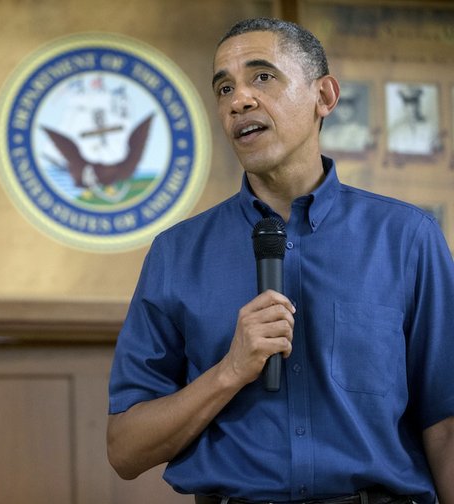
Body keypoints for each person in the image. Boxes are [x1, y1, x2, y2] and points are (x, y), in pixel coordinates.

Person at [107, 17, 454, 503]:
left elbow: (445, 424)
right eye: (224, 88)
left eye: (262, 77)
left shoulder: (407, 238)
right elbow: (125, 449)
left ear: (325, 97)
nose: (239, 100)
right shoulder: (176, 253)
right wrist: (230, 369)